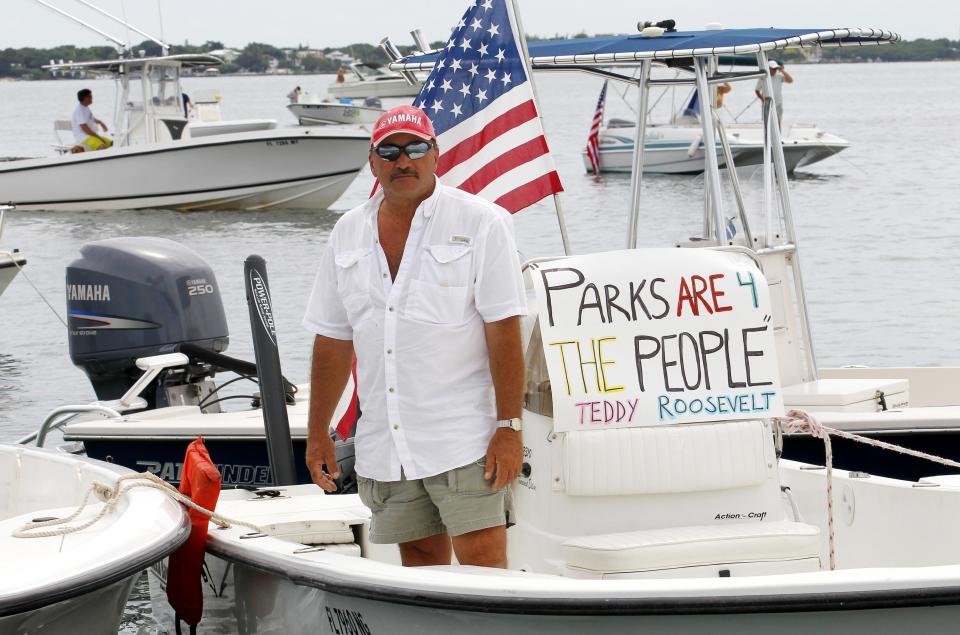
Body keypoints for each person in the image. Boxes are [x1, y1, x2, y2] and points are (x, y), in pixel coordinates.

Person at [302, 105, 526, 569]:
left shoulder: (484, 222)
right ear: (373, 161)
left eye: (415, 148)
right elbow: (332, 338)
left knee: (484, 565)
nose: (403, 161)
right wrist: (317, 432)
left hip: (463, 437)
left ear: (436, 154)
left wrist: (509, 428)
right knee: (421, 566)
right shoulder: (347, 233)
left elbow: (504, 329)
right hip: (387, 442)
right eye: (389, 151)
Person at [754, 60, 793, 125]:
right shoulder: (763, 77)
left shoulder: (779, 76)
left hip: (778, 103)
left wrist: (782, 71)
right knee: (767, 123)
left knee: (778, 122)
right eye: (773, 69)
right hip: (767, 104)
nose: (774, 70)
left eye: (776, 69)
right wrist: (762, 99)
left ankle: (779, 135)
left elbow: (790, 80)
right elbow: (757, 90)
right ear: (768, 69)